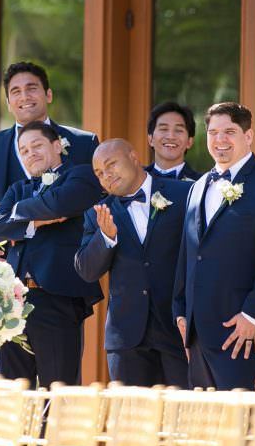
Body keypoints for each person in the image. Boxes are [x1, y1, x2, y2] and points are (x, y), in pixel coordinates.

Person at [173, 103, 255, 390]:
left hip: (245, 336)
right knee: (207, 430)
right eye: (213, 132)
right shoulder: (198, 186)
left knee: (246, 428)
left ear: (249, 135)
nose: (220, 140)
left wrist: (254, 317)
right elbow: (189, 254)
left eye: (229, 132)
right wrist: (181, 311)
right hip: (199, 338)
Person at [0, 122, 103, 387]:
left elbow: (59, 204)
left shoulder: (81, 175)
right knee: (14, 392)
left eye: (37, 145)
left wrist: (15, 215)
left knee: (58, 389)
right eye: (24, 150)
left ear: (57, 145)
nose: (31, 154)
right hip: (12, 303)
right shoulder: (19, 188)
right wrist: (36, 221)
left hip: (56, 298)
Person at [76, 139, 191, 387]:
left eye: (111, 165)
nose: (106, 175)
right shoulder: (98, 213)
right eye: (99, 173)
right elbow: (86, 270)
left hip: (177, 330)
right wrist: (105, 237)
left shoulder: (182, 195)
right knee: (131, 420)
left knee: (183, 417)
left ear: (134, 156)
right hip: (126, 339)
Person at [0, 61, 98, 199]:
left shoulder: (85, 143)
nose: (24, 97)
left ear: (49, 95)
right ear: (8, 104)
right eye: (16, 91)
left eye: (32, 88)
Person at [146, 101, 200, 181]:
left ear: (189, 141)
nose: (171, 136)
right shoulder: (135, 180)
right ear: (150, 139)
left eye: (178, 130)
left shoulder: (202, 184)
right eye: (164, 129)